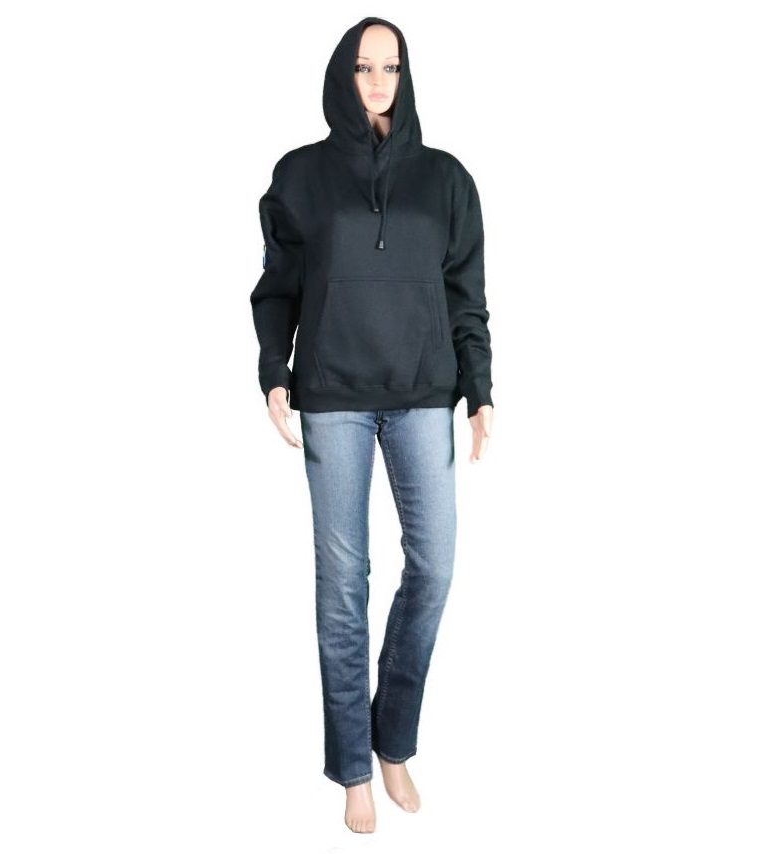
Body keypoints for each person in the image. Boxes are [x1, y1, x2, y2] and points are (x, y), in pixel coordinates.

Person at [250, 17, 494, 833]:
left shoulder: (447, 180)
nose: (378, 81)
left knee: (434, 568)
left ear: (406, 74)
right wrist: (275, 373)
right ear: (341, 75)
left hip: (424, 393)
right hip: (334, 397)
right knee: (343, 587)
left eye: (391, 66)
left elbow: (466, 296)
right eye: (363, 67)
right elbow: (278, 287)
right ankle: (353, 766)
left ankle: (393, 738)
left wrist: (481, 391)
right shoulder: (300, 176)